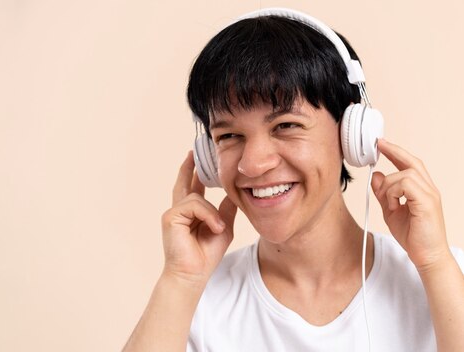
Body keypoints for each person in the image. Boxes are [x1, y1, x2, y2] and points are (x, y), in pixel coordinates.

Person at [123, 8, 464, 352]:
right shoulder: (190, 305)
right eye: (228, 136)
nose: (253, 165)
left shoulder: (446, 276)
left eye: (285, 126)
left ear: (351, 133)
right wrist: (181, 280)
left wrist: (435, 264)